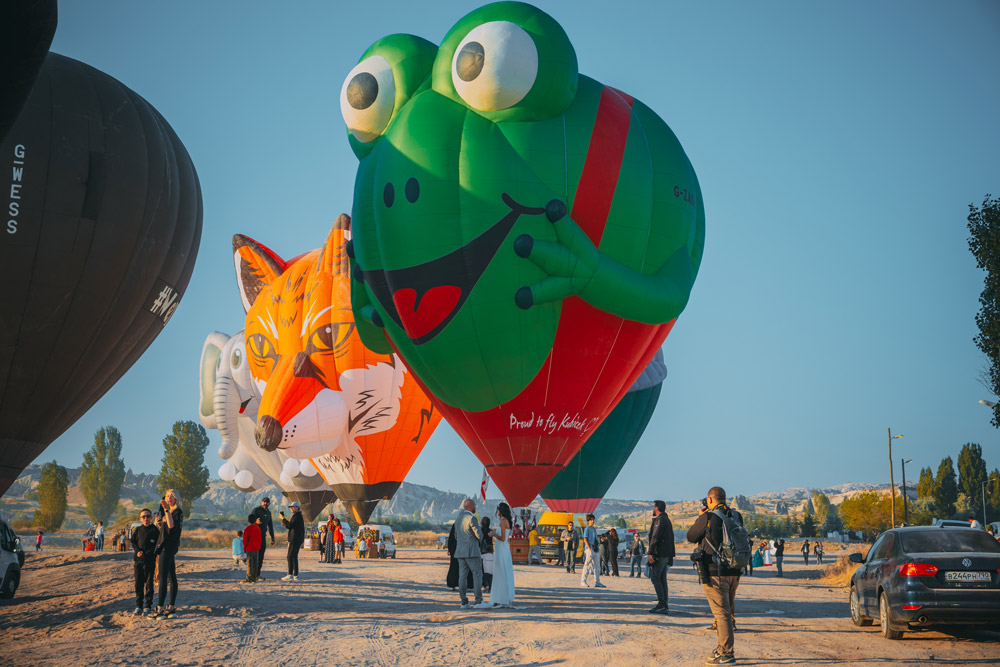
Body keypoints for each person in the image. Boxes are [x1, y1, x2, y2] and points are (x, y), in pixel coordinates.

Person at [687, 486, 744, 666]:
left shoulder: (709, 517)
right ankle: (721, 650)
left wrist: (701, 517)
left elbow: (691, 536)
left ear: (710, 500)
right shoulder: (736, 516)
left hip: (715, 572)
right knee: (726, 611)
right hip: (735, 571)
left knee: (722, 613)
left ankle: (727, 654)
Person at [153, 489, 183, 619]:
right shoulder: (170, 511)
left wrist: (166, 510)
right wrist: (160, 524)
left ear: (176, 498)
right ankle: (171, 608)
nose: (169, 498)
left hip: (167, 547)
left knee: (163, 578)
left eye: (171, 496)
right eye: (167, 496)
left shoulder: (176, 511)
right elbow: (166, 529)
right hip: (169, 546)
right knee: (172, 576)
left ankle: (159, 608)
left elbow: (171, 526)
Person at [455, 498, 489, 609]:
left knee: (462, 577)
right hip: (472, 552)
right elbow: (479, 535)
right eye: (474, 506)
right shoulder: (472, 518)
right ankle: (478, 600)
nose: (475, 508)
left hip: (460, 552)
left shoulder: (458, 519)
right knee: (477, 575)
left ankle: (464, 602)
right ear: (470, 507)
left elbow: (456, 536)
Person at [647, 500, 675, 613]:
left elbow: (655, 537)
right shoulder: (666, 519)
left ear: (657, 507)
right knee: (662, 579)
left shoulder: (660, 520)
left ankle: (662, 603)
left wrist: (650, 552)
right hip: (665, 554)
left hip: (660, 554)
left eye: (653, 507)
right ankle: (664, 604)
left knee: (655, 577)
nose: (652, 509)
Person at [130, 508, 158, 616]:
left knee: (149, 584)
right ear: (140, 518)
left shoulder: (154, 530)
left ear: (151, 518)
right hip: (138, 561)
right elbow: (133, 542)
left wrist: (151, 553)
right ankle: (138, 606)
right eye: (143, 517)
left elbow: (158, 545)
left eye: (148, 516)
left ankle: (148, 606)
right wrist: (137, 551)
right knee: (138, 584)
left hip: (150, 562)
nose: (146, 518)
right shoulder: (137, 530)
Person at [489, 502, 516, 608]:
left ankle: (500, 598)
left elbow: (503, 538)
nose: (497, 512)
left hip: (501, 548)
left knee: (500, 572)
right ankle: (500, 597)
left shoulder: (503, 521)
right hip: (503, 548)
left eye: (498, 510)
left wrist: (494, 534)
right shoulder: (506, 520)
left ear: (501, 510)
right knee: (502, 572)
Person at [249, 497, 275, 578]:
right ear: (261, 502)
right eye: (264, 502)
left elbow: (270, 526)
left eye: (267, 502)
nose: (265, 503)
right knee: (254, 556)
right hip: (255, 536)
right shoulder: (256, 510)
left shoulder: (269, 513)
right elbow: (250, 520)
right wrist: (255, 522)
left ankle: (257, 574)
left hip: (262, 537)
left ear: (269, 503)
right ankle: (251, 574)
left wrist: (272, 538)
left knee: (261, 556)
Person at [280, 501, 305, 581]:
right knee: (294, 556)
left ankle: (290, 574)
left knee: (290, 556)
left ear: (297, 507)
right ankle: (295, 575)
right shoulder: (297, 515)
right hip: (296, 539)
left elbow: (290, 525)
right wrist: (285, 523)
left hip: (295, 539)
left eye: (293, 507)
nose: (291, 508)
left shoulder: (297, 516)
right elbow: (290, 526)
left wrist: (283, 519)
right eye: (291, 507)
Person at [581, 514, 605, 588]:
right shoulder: (587, 529)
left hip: (595, 549)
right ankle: (583, 581)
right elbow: (585, 539)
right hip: (589, 549)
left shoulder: (594, 529)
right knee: (587, 565)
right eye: (591, 520)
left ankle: (597, 582)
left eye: (593, 520)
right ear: (588, 521)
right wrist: (589, 548)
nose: (593, 521)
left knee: (597, 566)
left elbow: (595, 539)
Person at [243, 514, 262, 582]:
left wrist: (245, 548)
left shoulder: (247, 529)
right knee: (255, 564)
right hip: (256, 549)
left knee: (249, 564)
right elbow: (260, 539)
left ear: (248, 521)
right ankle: (254, 578)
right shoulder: (258, 528)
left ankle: (249, 577)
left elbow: (245, 540)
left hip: (249, 549)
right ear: (255, 520)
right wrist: (258, 547)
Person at [480, 516, 494, 593]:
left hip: (481, 552)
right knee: (489, 571)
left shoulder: (479, 531)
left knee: (482, 570)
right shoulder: (490, 531)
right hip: (489, 551)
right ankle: (489, 585)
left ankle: (484, 585)